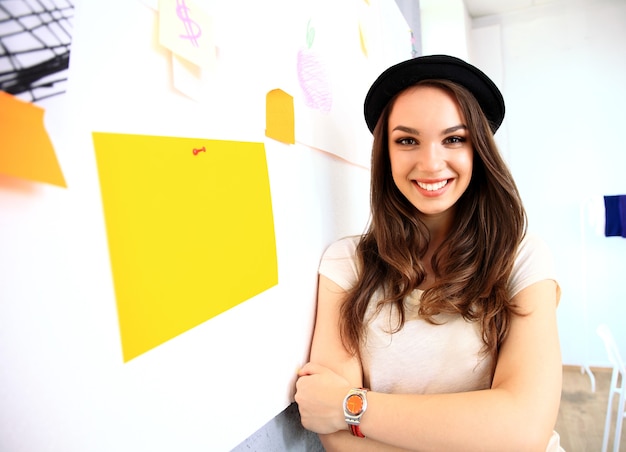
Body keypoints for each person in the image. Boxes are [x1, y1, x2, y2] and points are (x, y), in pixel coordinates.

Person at [295, 54, 563, 451]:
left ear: (478, 150)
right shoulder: (345, 264)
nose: (431, 163)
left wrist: (349, 406)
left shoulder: (521, 257)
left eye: (453, 138)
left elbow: (523, 430)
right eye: (407, 141)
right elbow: (334, 435)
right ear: (385, 154)